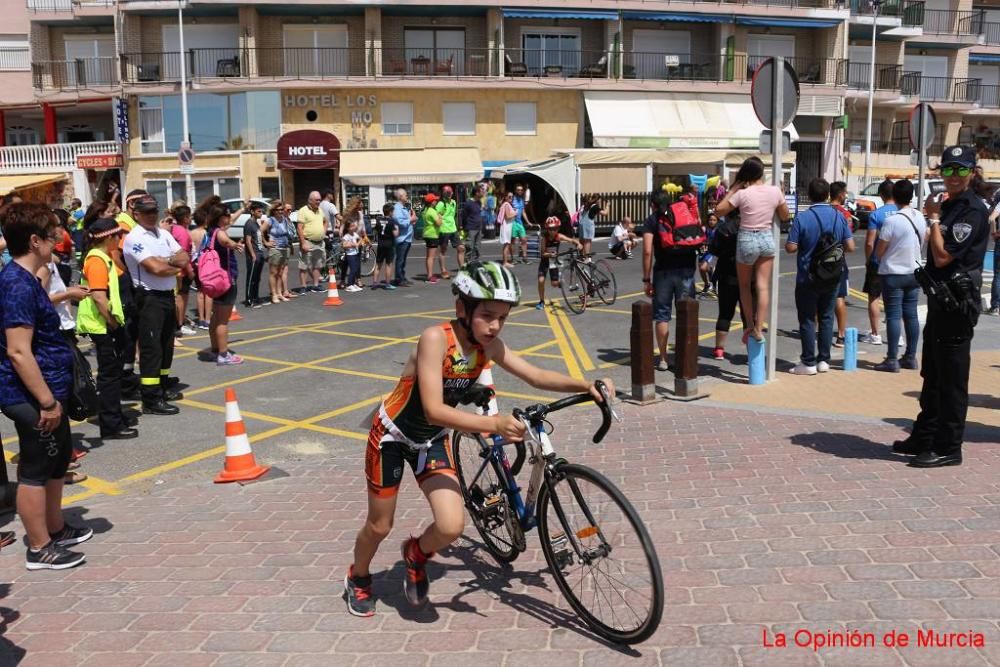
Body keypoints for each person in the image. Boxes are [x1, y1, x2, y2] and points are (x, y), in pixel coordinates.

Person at [344, 261, 614, 616]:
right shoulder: (435, 338)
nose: (495, 325)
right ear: (462, 308)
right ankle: (358, 576)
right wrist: (497, 424)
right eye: (487, 315)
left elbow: (534, 374)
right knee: (380, 524)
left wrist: (586, 384)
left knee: (452, 525)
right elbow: (432, 410)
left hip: (431, 441)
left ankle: (415, 553)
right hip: (392, 437)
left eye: (503, 317)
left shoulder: (489, 346)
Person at [0, 202, 93, 570]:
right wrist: (47, 402)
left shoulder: (29, 279)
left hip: (50, 390)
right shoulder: (15, 285)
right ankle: (39, 547)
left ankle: (54, 528)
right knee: (37, 469)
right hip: (31, 395)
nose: (59, 238)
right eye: (53, 233)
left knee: (56, 461)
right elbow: (19, 352)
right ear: (34, 240)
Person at [894, 146, 990, 468]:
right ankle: (925, 435)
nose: (953, 177)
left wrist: (933, 218)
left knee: (951, 377)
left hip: (957, 305)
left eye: (960, 170)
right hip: (940, 300)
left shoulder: (972, 210)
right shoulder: (949, 207)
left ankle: (949, 446)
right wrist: (934, 217)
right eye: (948, 170)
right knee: (932, 373)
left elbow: (943, 256)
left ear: (972, 173)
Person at [122, 196, 190, 413]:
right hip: (148, 297)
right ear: (137, 214)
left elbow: (184, 257)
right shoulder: (135, 237)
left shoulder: (164, 234)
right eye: (147, 212)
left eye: (155, 211)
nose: (152, 215)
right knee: (151, 349)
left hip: (167, 295)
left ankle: (161, 387)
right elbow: (155, 268)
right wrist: (170, 263)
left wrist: (166, 262)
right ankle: (150, 399)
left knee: (166, 345)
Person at [715, 157, 791, 344]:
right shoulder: (775, 191)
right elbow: (785, 215)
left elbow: (719, 211)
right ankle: (759, 327)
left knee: (744, 286)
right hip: (766, 237)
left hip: (747, 238)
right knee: (762, 285)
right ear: (762, 172)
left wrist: (732, 190)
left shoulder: (743, 194)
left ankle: (749, 324)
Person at [785, 178, 856, 375]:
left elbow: (790, 247)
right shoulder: (838, 217)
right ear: (827, 195)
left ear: (809, 195)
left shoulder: (802, 218)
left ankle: (808, 361)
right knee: (826, 317)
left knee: (807, 319)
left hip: (807, 276)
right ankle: (824, 360)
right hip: (832, 276)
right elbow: (850, 246)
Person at [77, 218, 138, 441]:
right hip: (103, 327)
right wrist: (113, 324)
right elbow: (100, 298)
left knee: (112, 374)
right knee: (109, 377)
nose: (120, 240)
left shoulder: (102, 257)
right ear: (109, 238)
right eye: (118, 236)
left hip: (106, 325)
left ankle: (115, 416)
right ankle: (111, 424)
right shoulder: (97, 260)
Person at [37, 250, 92, 485]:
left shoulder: (46, 262)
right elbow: (38, 299)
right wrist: (68, 292)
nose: (58, 238)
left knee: (64, 395)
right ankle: (57, 465)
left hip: (60, 329)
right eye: (51, 235)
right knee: (61, 396)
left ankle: (60, 460)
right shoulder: (41, 266)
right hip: (56, 333)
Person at [874, 180, 928, 373]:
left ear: (894, 197)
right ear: (912, 196)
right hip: (914, 271)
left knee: (894, 316)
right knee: (911, 315)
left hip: (893, 273)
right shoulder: (920, 217)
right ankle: (911, 357)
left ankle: (891, 359)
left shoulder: (892, 220)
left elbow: (880, 250)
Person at [642, 191, 700, 372]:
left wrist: (646, 278)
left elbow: (647, 251)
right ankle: (686, 357)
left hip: (664, 273)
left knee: (662, 315)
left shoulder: (652, 220)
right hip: (687, 271)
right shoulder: (683, 214)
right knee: (686, 314)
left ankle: (663, 359)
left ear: (653, 204)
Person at [202, 205, 244, 366]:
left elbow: (228, 225)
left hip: (214, 280)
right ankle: (223, 354)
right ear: (221, 217)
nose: (229, 217)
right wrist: (236, 245)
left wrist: (242, 209)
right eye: (227, 215)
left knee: (215, 317)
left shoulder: (210, 231)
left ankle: (215, 348)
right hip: (225, 279)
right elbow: (225, 241)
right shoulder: (219, 233)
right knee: (223, 321)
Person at [708, 213, 748, 360]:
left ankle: (719, 349)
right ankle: (753, 351)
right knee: (748, 315)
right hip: (748, 274)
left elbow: (714, 250)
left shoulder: (723, 228)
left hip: (727, 274)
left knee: (725, 313)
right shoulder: (751, 225)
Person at [862, 179, 896, 346]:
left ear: (881, 194)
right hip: (897, 262)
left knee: (874, 297)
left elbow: (869, 242)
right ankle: (896, 334)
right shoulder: (902, 212)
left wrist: (869, 260)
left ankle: (875, 334)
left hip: (878, 261)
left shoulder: (876, 214)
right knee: (894, 299)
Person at [536, 216, 581, 310]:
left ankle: (559, 282)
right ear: (547, 229)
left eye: (554, 229)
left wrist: (578, 243)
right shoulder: (544, 238)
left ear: (558, 228)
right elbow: (542, 253)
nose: (552, 231)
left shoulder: (559, 236)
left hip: (553, 262)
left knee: (554, 284)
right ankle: (541, 301)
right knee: (541, 280)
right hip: (545, 260)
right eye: (550, 229)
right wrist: (549, 254)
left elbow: (571, 240)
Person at [830, 181, 853, 347]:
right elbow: (849, 242)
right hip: (838, 260)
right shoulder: (845, 215)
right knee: (839, 298)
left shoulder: (821, 210)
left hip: (819, 262)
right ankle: (841, 335)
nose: (846, 196)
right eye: (845, 193)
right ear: (840, 194)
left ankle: (815, 332)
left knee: (818, 298)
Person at [296, 191, 328, 293]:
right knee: (304, 266)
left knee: (317, 265)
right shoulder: (303, 210)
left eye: (319, 200)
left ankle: (315, 285)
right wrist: (303, 243)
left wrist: (323, 231)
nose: (319, 202)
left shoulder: (320, 210)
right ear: (310, 200)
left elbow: (325, 221)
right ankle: (303, 286)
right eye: (317, 200)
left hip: (319, 242)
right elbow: (299, 228)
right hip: (308, 241)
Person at [262, 201, 293, 303]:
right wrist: (266, 242)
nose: (280, 211)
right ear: (274, 211)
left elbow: (287, 234)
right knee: (273, 273)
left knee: (280, 273)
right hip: (275, 249)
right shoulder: (270, 220)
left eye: (281, 210)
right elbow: (260, 231)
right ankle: (274, 294)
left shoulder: (284, 219)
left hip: (284, 248)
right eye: (278, 210)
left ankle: (279, 293)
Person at [242, 203, 268, 308]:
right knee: (251, 278)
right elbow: (247, 241)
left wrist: (263, 251)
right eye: (259, 211)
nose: (261, 213)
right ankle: (249, 300)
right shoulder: (248, 224)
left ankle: (256, 298)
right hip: (253, 255)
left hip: (259, 253)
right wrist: (253, 255)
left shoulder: (256, 224)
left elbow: (259, 239)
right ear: (252, 211)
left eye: (262, 211)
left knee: (257, 278)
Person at [391, 188, 416, 287]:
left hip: (406, 237)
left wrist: (412, 219)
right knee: (400, 259)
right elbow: (400, 222)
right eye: (406, 195)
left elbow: (407, 220)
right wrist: (411, 219)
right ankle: (399, 278)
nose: (407, 197)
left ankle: (402, 276)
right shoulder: (397, 208)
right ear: (400, 197)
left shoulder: (403, 207)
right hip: (402, 238)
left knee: (403, 259)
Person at [371, 203, 397, 290]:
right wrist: (397, 227)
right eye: (392, 211)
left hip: (381, 244)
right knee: (389, 264)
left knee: (378, 264)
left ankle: (374, 282)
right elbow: (395, 234)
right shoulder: (392, 221)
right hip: (389, 244)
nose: (393, 213)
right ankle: (388, 284)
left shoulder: (379, 220)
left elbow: (376, 230)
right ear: (390, 212)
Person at [436, 186, 461, 273]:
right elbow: (437, 215)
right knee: (443, 250)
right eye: (447, 193)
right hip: (444, 230)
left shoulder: (454, 202)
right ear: (443, 193)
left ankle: (462, 269)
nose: (449, 194)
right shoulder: (441, 204)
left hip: (453, 229)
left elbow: (453, 215)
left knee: (461, 248)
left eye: (450, 192)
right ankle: (443, 270)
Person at [577, 195, 607, 261]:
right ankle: (587, 257)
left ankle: (581, 256)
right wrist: (607, 206)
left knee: (582, 240)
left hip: (581, 224)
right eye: (600, 200)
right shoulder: (595, 206)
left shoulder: (585, 205)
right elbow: (605, 213)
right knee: (588, 241)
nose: (600, 202)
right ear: (598, 200)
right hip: (588, 224)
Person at [511, 183, 534, 263]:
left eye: (521, 190)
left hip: (520, 223)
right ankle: (512, 258)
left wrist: (528, 222)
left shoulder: (521, 200)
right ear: (515, 190)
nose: (520, 191)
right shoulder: (512, 199)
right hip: (512, 223)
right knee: (513, 241)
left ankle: (525, 258)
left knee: (524, 240)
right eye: (518, 190)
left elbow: (523, 212)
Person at [698, 213, 719, 295]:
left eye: (714, 220)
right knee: (701, 269)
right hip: (704, 252)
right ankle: (707, 284)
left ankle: (714, 284)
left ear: (717, 221)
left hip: (713, 253)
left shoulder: (718, 230)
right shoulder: (704, 229)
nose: (712, 222)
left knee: (704, 268)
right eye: (710, 220)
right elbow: (700, 239)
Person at [461, 185, 483, 261]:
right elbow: (464, 216)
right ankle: (467, 264)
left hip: (478, 228)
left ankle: (475, 263)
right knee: (469, 246)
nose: (483, 193)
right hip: (470, 228)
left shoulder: (479, 202)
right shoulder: (468, 203)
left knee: (477, 247)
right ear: (476, 193)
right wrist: (464, 227)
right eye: (481, 191)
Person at [342, 218, 363, 293]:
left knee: (356, 269)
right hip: (350, 255)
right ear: (348, 228)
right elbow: (344, 245)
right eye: (352, 226)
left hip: (355, 253)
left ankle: (353, 283)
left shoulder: (355, 234)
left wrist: (358, 243)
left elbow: (360, 238)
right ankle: (349, 285)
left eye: (354, 226)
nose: (354, 227)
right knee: (353, 269)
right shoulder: (346, 236)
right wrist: (351, 244)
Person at [496, 190, 516, 267]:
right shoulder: (507, 204)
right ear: (506, 197)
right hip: (506, 226)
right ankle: (505, 262)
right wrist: (515, 213)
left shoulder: (506, 204)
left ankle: (505, 261)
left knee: (507, 244)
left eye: (512, 197)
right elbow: (507, 216)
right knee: (507, 244)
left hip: (507, 226)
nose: (511, 198)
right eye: (509, 197)